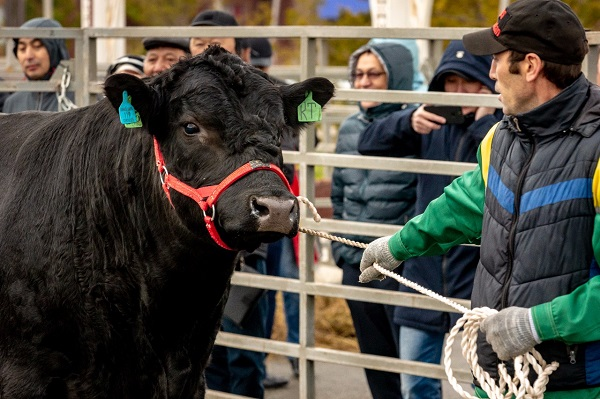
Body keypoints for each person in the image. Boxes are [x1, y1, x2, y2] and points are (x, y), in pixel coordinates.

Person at [359, 0, 600, 397]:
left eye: (497, 60)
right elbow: (462, 205)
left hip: (575, 384)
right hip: (497, 376)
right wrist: (398, 246)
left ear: (530, 66)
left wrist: (540, 323)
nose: (490, 73)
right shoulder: (503, 137)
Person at [357, 40, 502, 399]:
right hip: (421, 275)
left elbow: (488, 180)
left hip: (475, 278)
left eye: (467, 82)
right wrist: (408, 121)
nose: (457, 91)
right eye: (450, 83)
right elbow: (368, 142)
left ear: (486, 82)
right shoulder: (431, 124)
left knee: (485, 380)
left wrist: (483, 122)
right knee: (416, 383)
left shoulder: (499, 131)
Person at [190, 10, 271, 398]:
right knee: (208, 356)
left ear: (240, 50)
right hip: (194, 246)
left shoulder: (259, 95)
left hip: (250, 240)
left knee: (245, 348)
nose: (207, 52)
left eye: (217, 43)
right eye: (197, 44)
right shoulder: (185, 107)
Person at [330, 40, 417, 399]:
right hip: (356, 263)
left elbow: (422, 195)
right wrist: (342, 255)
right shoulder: (349, 127)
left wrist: (408, 257)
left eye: (373, 74)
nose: (363, 82)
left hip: (399, 268)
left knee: (410, 367)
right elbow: (338, 192)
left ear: (396, 76)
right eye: (358, 74)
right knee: (376, 363)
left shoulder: (416, 125)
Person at [3, 17, 74, 113]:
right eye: (22, 48)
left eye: (37, 46)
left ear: (55, 50)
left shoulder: (82, 97)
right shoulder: (12, 103)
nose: (28, 56)